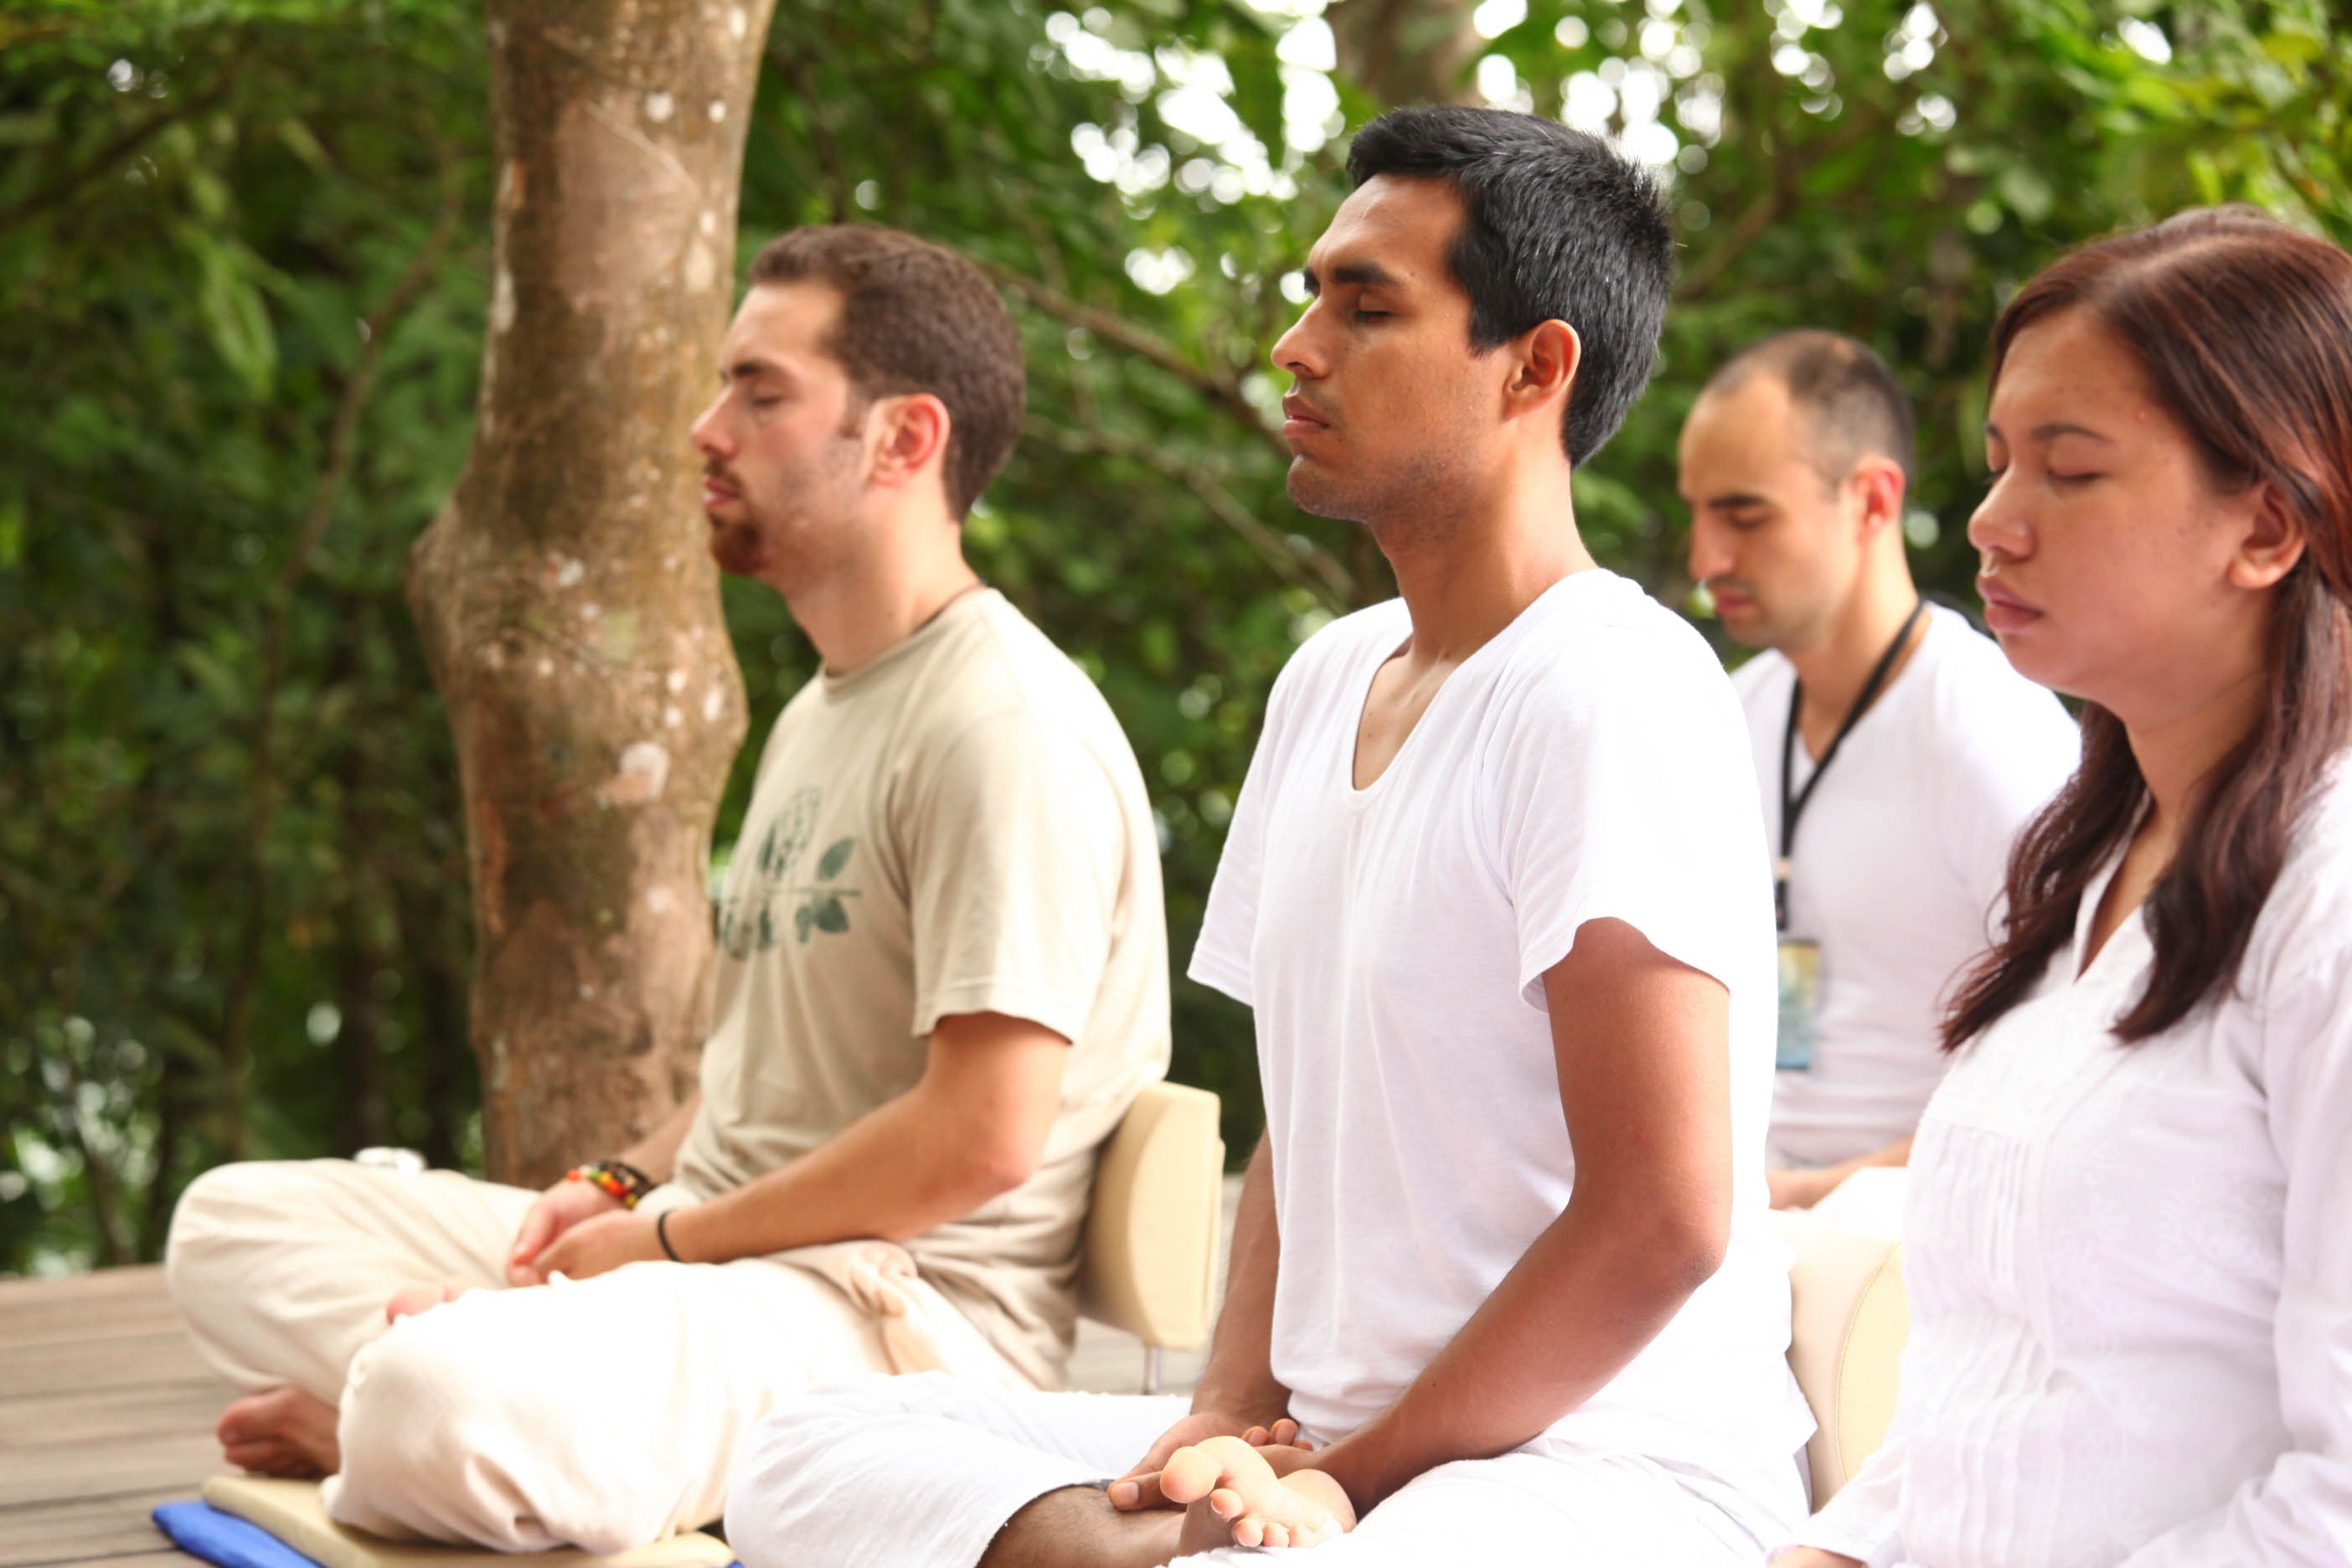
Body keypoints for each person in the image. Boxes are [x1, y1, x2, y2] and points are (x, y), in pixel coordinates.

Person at [721, 106, 1813, 1568]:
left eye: (1364, 307)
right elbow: (1304, 1129)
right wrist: (1223, 1417)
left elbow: (1664, 1215)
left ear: (1533, 368)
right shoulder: (1323, 682)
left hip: (1599, 1475)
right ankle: (1168, 1544)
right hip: (1327, 1454)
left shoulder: (1611, 686)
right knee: (803, 1449)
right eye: (1311, 296)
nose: (1297, 346)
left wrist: (1349, 1476)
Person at [163, 224, 1171, 1552]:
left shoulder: (1004, 727)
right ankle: (521, 1412)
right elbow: (778, 1059)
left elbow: (982, 1133)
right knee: (226, 1225)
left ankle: (415, 1417)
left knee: (428, 1389)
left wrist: (668, 1241)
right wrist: (615, 1181)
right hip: (715, 1258)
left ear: (904, 441)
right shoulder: (823, 709)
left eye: (760, 393)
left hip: (893, 1319)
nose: (706, 429)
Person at [1780, 207, 2352, 1565]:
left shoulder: (2326, 903)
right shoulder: (2088, 864)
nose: (1988, 520)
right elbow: (1990, 1390)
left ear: (2265, 524)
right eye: (1992, 464)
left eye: (2067, 470)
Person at [1679, 333, 2078, 1228]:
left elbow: (2080, 1065)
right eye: (1698, 513)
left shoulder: (1989, 731)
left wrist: (1823, 1195)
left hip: (1916, 1229)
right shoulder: (1731, 711)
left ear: (1870, 500)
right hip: (1750, 1209)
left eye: (1745, 516)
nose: (1707, 558)